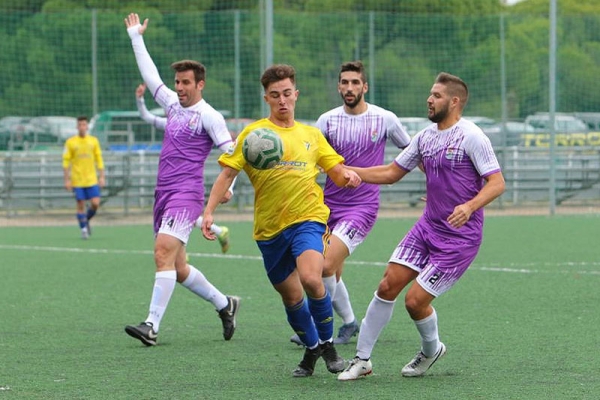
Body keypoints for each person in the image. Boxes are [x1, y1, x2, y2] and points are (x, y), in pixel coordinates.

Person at [338, 72, 506, 380]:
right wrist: (344, 170)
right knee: (387, 284)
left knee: (414, 302)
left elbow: (497, 183)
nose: (429, 99)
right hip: (427, 227)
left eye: (437, 96)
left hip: (459, 239)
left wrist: (469, 207)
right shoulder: (426, 137)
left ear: (455, 102)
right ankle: (362, 360)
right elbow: (391, 172)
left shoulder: (472, 136)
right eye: (430, 94)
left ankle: (431, 350)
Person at [201, 64, 361, 377]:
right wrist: (209, 211)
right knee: (291, 297)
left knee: (313, 279)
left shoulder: (311, 136)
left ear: (296, 95)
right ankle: (312, 348)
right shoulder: (254, 135)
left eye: (287, 94)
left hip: (308, 220)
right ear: (267, 99)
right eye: (275, 95)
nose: (282, 100)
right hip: (269, 230)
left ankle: (327, 343)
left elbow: (337, 172)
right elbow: (228, 173)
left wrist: (348, 177)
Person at [123, 13, 240, 346]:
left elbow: (233, 156)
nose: (179, 88)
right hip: (163, 193)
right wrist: (136, 37)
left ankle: (151, 326)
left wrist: (229, 186)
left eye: (186, 83)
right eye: (177, 83)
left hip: (186, 195)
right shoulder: (172, 105)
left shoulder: (210, 116)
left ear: (200, 84)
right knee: (179, 266)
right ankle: (225, 303)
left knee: (162, 254)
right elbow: (149, 73)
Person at [289, 61, 411, 347]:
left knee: (325, 264)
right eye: (344, 82)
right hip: (327, 206)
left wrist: (439, 186)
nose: (349, 87)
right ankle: (348, 323)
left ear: (365, 87)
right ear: (338, 86)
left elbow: (414, 152)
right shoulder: (327, 120)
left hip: (362, 208)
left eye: (355, 82)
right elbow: (313, 159)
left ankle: (322, 328)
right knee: (330, 269)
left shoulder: (385, 119)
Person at [135, 83, 232, 254]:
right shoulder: (169, 124)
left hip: (185, 187)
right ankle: (218, 231)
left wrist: (230, 187)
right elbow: (147, 117)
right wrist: (140, 99)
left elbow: (232, 156)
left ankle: (183, 251)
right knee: (184, 219)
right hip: (168, 187)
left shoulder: (196, 120)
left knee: (179, 220)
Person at [62, 116, 105, 240]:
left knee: (95, 203)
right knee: (80, 204)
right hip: (77, 180)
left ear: (87, 126)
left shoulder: (93, 141)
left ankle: (85, 220)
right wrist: (67, 180)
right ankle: (84, 230)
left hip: (91, 179)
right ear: (77, 126)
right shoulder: (71, 142)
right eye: (80, 125)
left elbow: (99, 159)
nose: (82, 127)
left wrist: (102, 176)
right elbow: (66, 162)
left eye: (84, 125)